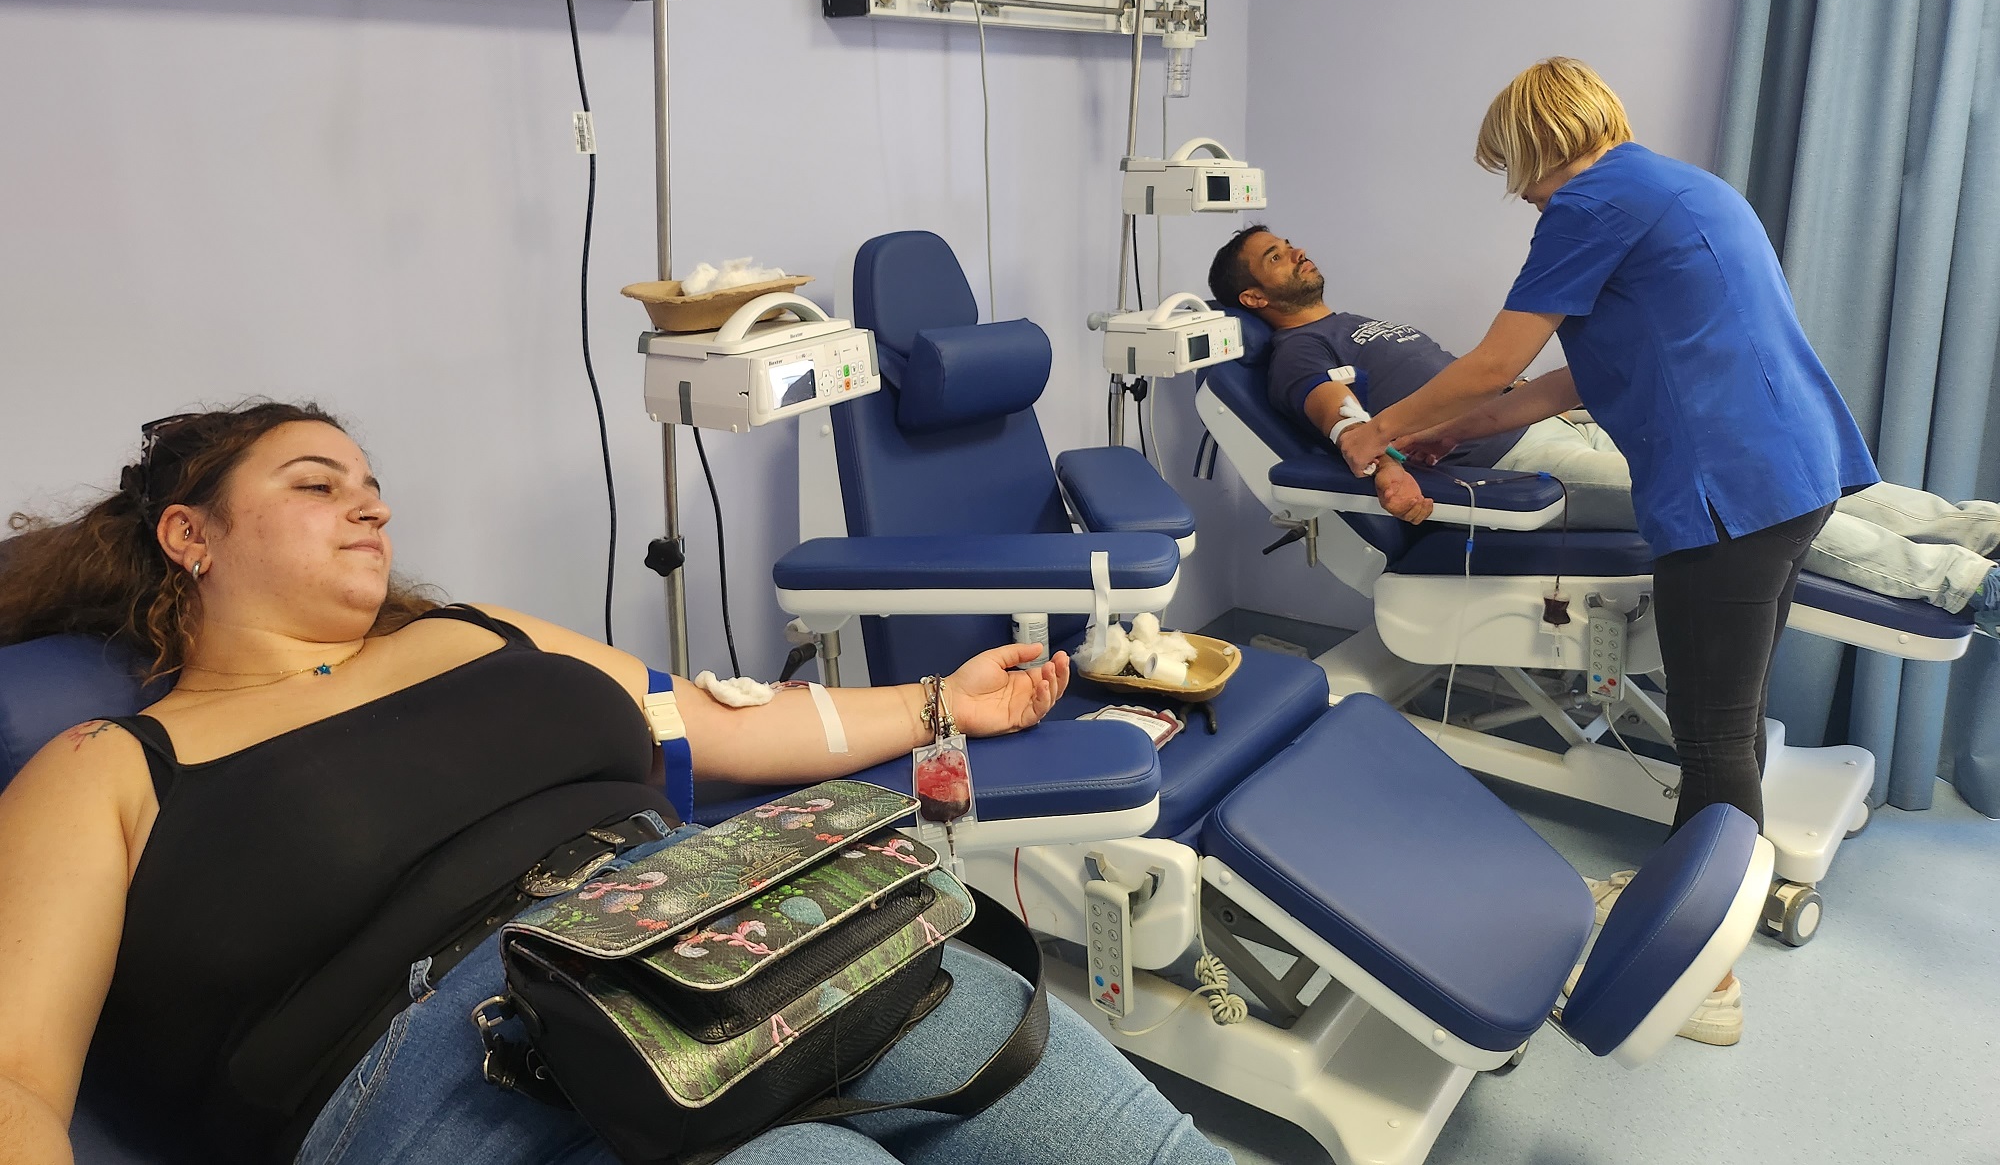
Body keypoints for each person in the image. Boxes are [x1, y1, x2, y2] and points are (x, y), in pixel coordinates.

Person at [0, 402, 1230, 1165]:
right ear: (190, 535)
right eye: (316, 485)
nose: (368, 508)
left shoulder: (475, 635)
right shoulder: (108, 768)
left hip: (740, 942)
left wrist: (936, 704)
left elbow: (710, 721)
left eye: (371, 488)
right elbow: (15, 1081)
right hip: (468, 1071)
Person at [1327, 59, 1886, 1046]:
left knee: (1711, 739)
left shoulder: (1586, 203)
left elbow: (1494, 361)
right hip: (1792, 473)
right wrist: (1454, 429)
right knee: (1732, 717)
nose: (1521, 194)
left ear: (1539, 140)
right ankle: (1693, 885)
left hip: (1726, 492)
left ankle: (1707, 980)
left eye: (1515, 169)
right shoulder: (1678, 188)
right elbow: (1564, 382)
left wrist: (1378, 430)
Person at [1208, 225, 2000, 623]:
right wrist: (1386, 470)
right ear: (1254, 298)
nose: (1296, 253)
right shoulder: (1298, 351)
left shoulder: (1352, 320)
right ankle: (1964, 584)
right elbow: (1342, 418)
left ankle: (1977, 528)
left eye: (1289, 244)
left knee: (1774, 474)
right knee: (1750, 507)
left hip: (1561, 418)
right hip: (1515, 460)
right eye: (1276, 257)